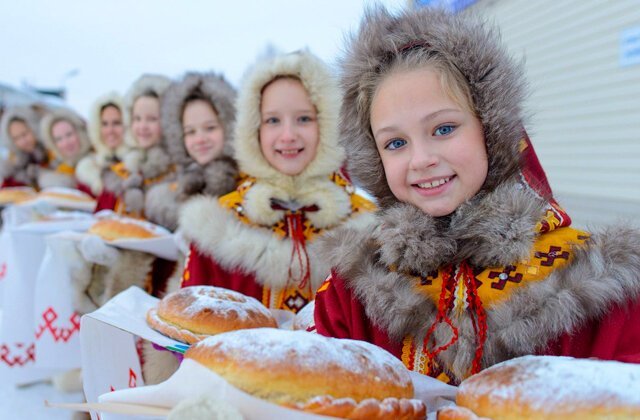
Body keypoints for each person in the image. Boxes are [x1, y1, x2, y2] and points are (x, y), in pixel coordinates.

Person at [313, 7, 640, 386]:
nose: (421, 160)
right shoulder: (355, 289)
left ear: (491, 130)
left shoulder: (589, 281)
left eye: (444, 128)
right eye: (396, 142)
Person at [179, 50, 376, 313]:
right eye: (272, 120)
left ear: (328, 125)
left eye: (304, 119)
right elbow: (190, 328)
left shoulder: (365, 225)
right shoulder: (218, 223)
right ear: (253, 130)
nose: (288, 135)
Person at [144, 71, 238, 231]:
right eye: (190, 132)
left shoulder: (243, 183)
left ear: (229, 126)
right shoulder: (180, 182)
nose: (200, 139)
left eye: (210, 128)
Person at [95, 74, 174, 219]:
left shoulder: (176, 173)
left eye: (152, 119)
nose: (142, 126)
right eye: (137, 118)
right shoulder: (121, 172)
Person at [75, 92, 129, 197]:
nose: (110, 130)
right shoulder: (88, 170)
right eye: (104, 124)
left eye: (116, 123)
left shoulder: (136, 163)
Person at [39, 108, 92, 191]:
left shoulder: (98, 160)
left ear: (79, 133)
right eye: (59, 139)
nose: (66, 143)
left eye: (69, 135)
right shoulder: (60, 170)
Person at [0, 105, 49, 188]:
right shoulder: (14, 161)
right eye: (16, 138)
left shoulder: (49, 152)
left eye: (25, 134)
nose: (23, 141)